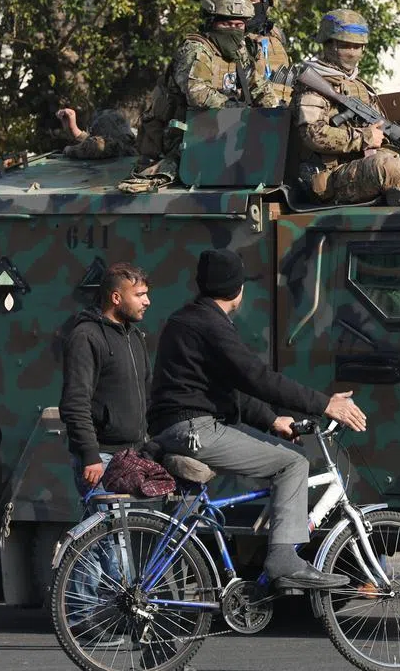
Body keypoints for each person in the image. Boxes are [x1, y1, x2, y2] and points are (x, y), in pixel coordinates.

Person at [147, 249, 368, 590]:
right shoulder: (210, 325)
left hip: (180, 427)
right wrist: (324, 404)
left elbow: (230, 387)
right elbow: (256, 377)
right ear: (237, 289)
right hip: (194, 429)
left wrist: (272, 421)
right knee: (292, 464)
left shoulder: (190, 319)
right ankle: (283, 560)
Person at [291, 9, 400, 207]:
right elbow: (313, 134)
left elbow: (380, 129)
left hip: (364, 164)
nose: (353, 52)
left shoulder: (360, 87)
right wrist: (363, 138)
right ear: (329, 44)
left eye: (358, 46)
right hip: (331, 177)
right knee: (385, 166)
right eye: (346, 45)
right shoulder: (313, 86)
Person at [136, 0, 280, 169]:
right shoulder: (196, 50)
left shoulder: (239, 50)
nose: (233, 30)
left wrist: (274, 110)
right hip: (177, 139)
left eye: (238, 25)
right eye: (226, 24)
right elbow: (197, 93)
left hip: (216, 136)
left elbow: (258, 85)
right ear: (211, 22)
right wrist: (234, 107)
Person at [59, 262, 152, 503]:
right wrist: (90, 455)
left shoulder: (135, 336)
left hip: (134, 456)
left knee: (134, 526)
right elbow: (75, 403)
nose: (147, 301)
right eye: (139, 295)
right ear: (116, 298)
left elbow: (147, 393)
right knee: (110, 528)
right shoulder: (86, 336)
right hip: (102, 458)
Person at [231, 0, 294, 101]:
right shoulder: (227, 36)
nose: (245, 7)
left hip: (280, 108)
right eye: (239, 2)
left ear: (265, 2)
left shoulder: (275, 34)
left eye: (250, 0)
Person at [56, 107, 138, 160]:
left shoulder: (107, 147)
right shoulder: (134, 144)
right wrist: (74, 129)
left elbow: (96, 146)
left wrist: (68, 150)